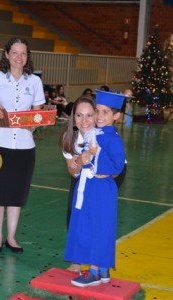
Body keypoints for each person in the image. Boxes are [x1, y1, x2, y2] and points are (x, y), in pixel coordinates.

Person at [0, 37, 46, 253]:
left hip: (25, 147)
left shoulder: (34, 82)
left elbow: (39, 112)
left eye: (24, 53)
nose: (19, 57)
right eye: (15, 53)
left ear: (28, 57)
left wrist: (34, 126)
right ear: (6, 54)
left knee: (17, 193)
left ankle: (11, 236)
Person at [64, 90, 126, 287]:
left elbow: (117, 165)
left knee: (100, 227)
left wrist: (97, 163)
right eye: (97, 111)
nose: (99, 116)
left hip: (101, 188)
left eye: (104, 113)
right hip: (90, 187)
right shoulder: (96, 133)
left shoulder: (112, 138)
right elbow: (83, 160)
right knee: (92, 225)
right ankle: (102, 268)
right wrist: (80, 160)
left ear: (116, 116)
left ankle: (94, 272)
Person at [59, 96, 96, 272]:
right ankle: (76, 261)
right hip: (79, 183)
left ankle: (97, 263)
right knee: (73, 218)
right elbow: (72, 172)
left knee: (97, 222)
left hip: (101, 185)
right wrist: (76, 164)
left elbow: (118, 168)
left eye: (89, 115)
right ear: (73, 118)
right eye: (79, 115)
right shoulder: (69, 137)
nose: (84, 121)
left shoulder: (105, 135)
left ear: (96, 116)